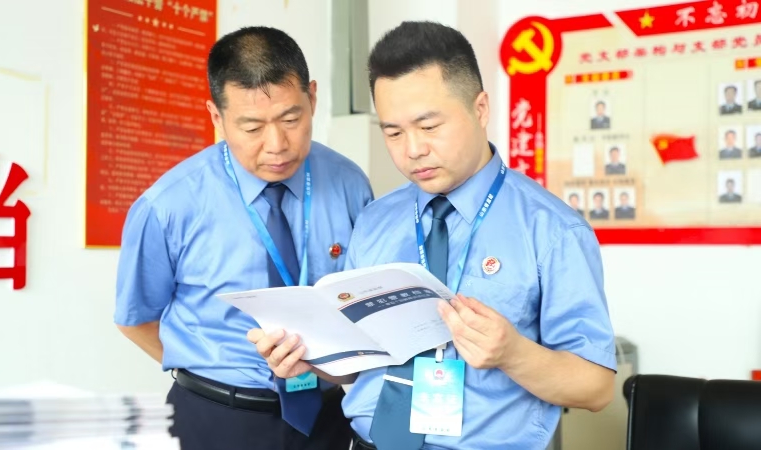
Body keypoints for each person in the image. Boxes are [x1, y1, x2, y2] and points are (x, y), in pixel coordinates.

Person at [249, 21, 616, 450]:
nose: (413, 150)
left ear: (481, 109)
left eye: (429, 126)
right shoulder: (375, 221)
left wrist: (513, 354)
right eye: (393, 132)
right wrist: (308, 357)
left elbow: (596, 388)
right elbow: (361, 364)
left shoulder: (551, 229)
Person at [114, 26, 373, 450]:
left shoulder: (348, 183)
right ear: (217, 117)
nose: (277, 145)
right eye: (252, 127)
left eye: (291, 119)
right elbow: (136, 320)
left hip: (326, 414)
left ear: (312, 98)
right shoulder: (169, 204)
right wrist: (211, 371)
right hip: (216, 418)